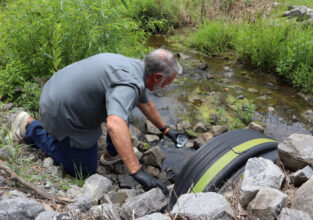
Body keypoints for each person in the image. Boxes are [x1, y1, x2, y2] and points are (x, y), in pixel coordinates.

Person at [11, 49, 186, 194]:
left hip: (56, 89)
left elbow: (146, 104)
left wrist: (166, 130)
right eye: (168, 82)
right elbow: (115, 124)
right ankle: (30, 128)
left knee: (121, 109)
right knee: (86, 169)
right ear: (156, 77)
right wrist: (137, 172)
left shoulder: (136, 67)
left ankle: (111, 153)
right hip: (60, 110)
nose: (167, 86)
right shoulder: (130, 84)